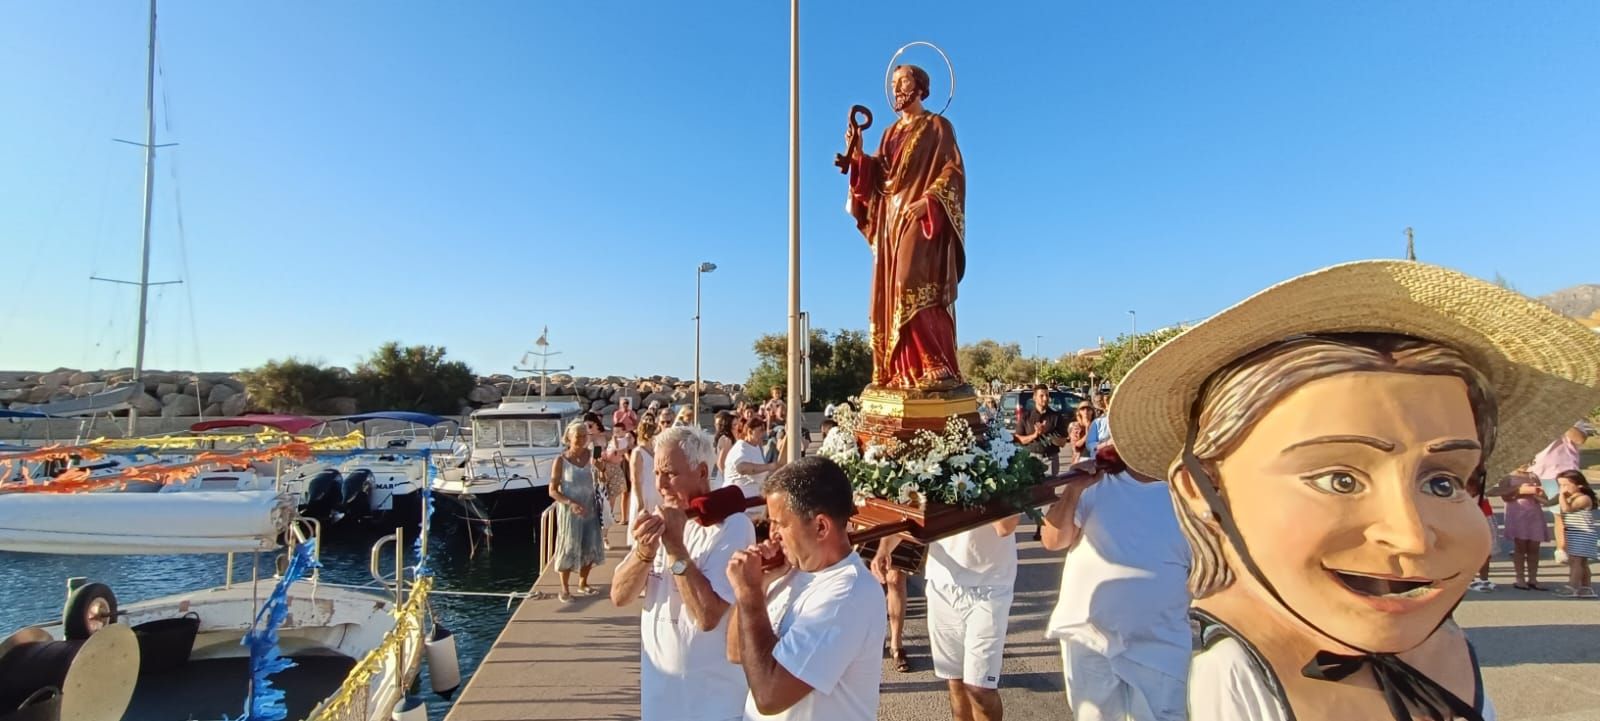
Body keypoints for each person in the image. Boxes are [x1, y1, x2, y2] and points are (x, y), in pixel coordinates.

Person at [1113, 259, 1600, 721]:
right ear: (1202, 489)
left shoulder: (1447, 652)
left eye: (1442, 482)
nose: (1411, 536)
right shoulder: (1230, 673)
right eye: (1339, 480)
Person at [1040, 434, 1191, 721]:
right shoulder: (1094, 485)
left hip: (1160, 644)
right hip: (1089, 637)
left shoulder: (1190, 496)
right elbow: (1052, 540)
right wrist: (1073, 491)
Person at [611, 426, 757, 721]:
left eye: (670, 473)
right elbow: (619, 595)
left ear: (702, 472)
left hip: (713, 704)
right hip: (659, 698)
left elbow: (708, 616)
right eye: (656, 473)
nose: (661, 484)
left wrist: (676, 548)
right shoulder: (659, 519)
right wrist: (644, 553)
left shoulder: (733, 527)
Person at [725, 456, 887, 720]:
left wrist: (749, 594)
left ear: (821, 527)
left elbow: (769, 695)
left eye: (780, 523)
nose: (772, 533)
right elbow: (735, 652)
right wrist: (760, 585)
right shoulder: (788, 572)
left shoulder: (848, 593)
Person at [844, 63, 967, 391]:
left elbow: (952, 170)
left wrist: (929, 200)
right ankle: (898, 370)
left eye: (904, 82)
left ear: (921, 88)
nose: (897, 89)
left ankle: (936, 363)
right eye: (894, 83)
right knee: (889, 291)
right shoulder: (889, 133)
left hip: (921, 217)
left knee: (908, 281)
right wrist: (857, 155)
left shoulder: (938, 126)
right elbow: (878, 177)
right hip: (890, 220)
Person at [881, 515, 1020, 721]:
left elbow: (1005, 527)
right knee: (955, 682)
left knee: (980, 689)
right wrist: (884, 548)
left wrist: (977, 488)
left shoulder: (1009, 482)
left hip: (991, 583)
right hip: (942, 583)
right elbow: (910, 510)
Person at [549, 419, 606, 603]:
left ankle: (583, 583)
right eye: (578, 436)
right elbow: (552, 490)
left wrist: (600, 467)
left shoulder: (592, 455)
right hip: (570, 511)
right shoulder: (561, 460)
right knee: (568, 547)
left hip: (589, 507)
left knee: (589, 545)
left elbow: (603, 475)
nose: (582, 439)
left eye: (584, 435)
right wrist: (569, 502)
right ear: (569, 438)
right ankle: (565, 589)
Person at [1499, 470, 1552, 590]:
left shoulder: (1533, 476)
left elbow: (1544, 496)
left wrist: (1538, 493)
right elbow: (1505, 496)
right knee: (1520, 547)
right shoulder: (1508, 477)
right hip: (1517, 514)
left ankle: (1533, 578)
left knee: (1534, 547)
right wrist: (1519, 491)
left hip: (1534, 514)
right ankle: (1520, 578)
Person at [722, 417, 784, 507]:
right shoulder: (741, 447)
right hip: (740, 505)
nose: (763, 434)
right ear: (750, 432)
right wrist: (769, 466)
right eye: (760, 430)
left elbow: (760, 472)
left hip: (754, 504)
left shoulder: (756, 447)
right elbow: (741, 468)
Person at [1555, 470, 1598, 598]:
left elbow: (1567, 509)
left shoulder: (1583, 498)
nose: (1563, 488)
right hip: (1574, 533)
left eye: (1566, 485)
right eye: (1560, 485)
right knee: (1580, 562)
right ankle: (1586, 588)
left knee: (1577, 562)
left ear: (1579, 485)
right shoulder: (1569, 497)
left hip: (1583, 534)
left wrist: (1561, 496)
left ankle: (1572, 586)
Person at [1013, 385, 1064, 471]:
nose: (1045, 398)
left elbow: (1063, 442)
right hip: (1031, 458)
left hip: (1050, 459)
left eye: (1047, 395)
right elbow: (1019, 439)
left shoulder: (1056, 416)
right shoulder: (1026, 417)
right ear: (1034, 397)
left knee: (1052, 484)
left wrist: (1049, 436)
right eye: (1041, 396)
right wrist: (1035, 435)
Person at [630, 418, 663, 535]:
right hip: (644, 492)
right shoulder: (637, 452)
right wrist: (640, 501)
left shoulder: (656, 451)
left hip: (656, 491)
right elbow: (635, 479)